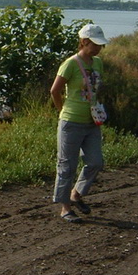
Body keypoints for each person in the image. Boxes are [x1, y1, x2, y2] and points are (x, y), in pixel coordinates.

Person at [49, 24, 109, 223]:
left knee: (95, 162)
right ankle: (65, 207)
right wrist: (62, 111)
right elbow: (54, 91)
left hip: (92, 122)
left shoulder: (98, 63)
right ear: (84, 41)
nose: (98, 48)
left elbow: (96, 87)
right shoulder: (70, 64)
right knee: (67, 165)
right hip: (71, 122)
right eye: (95, 44)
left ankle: (77, 193)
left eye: (100, 45)